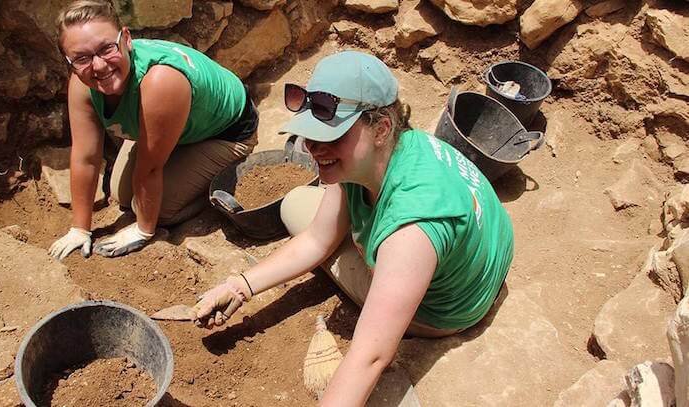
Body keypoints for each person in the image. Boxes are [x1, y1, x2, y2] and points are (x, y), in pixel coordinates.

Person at [191, 50, 514, 405]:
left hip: (447, 309)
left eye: (332, 135)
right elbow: (316, 239)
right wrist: (239, 287)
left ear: (381, 128)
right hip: (482, 253)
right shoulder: (396, 146)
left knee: (319, 221)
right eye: (310, 133)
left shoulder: (411, 232)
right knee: (298, 203)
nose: (313, 147)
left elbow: (370, 356)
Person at [48, 0, 258, 260]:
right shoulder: (82, 83)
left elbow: (149, 170)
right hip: (179, 129)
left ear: (126, 39)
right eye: (82, 58)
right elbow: (85, 157)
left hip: (226, 132)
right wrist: (79, 229)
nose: (99, 66)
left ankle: (222, 181)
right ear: (70, 62)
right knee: (122, 195)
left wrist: (143, 231)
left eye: (106, 49)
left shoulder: (160, 81)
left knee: (157, 212)